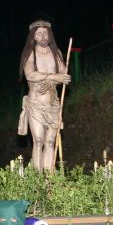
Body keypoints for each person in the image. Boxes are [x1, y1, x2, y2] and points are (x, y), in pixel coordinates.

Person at [18, 19, 71, 172]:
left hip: (52, 103)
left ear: (50, 34)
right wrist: (53, 78)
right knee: (39, 140)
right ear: (33, 36)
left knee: (50, 142)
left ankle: (49, 180)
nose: (42, 36)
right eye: (39, 33)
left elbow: (65, 76)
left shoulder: (56, 53)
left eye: (45, 33)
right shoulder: (30, 53)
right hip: (36, 103)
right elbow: (30, 75)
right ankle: (37, 179)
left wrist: (52, 81)